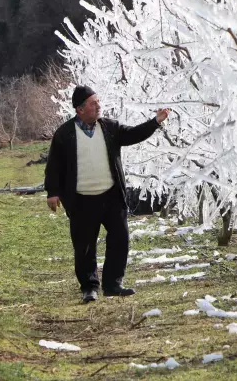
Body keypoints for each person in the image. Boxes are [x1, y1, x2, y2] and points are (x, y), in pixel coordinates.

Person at [44, 85, 169, 303]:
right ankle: (89, 287)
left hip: (111, 196)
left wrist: (155, 122)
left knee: (120, 239)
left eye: (98, 102)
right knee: (84, 245)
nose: (98, 106)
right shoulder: (65, 134)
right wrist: (52, 192)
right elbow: (55, 164)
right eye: (93, 103)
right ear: (80, 109)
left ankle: (113, 284)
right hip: (81, 199)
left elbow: (133, 134)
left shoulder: (109, 128)